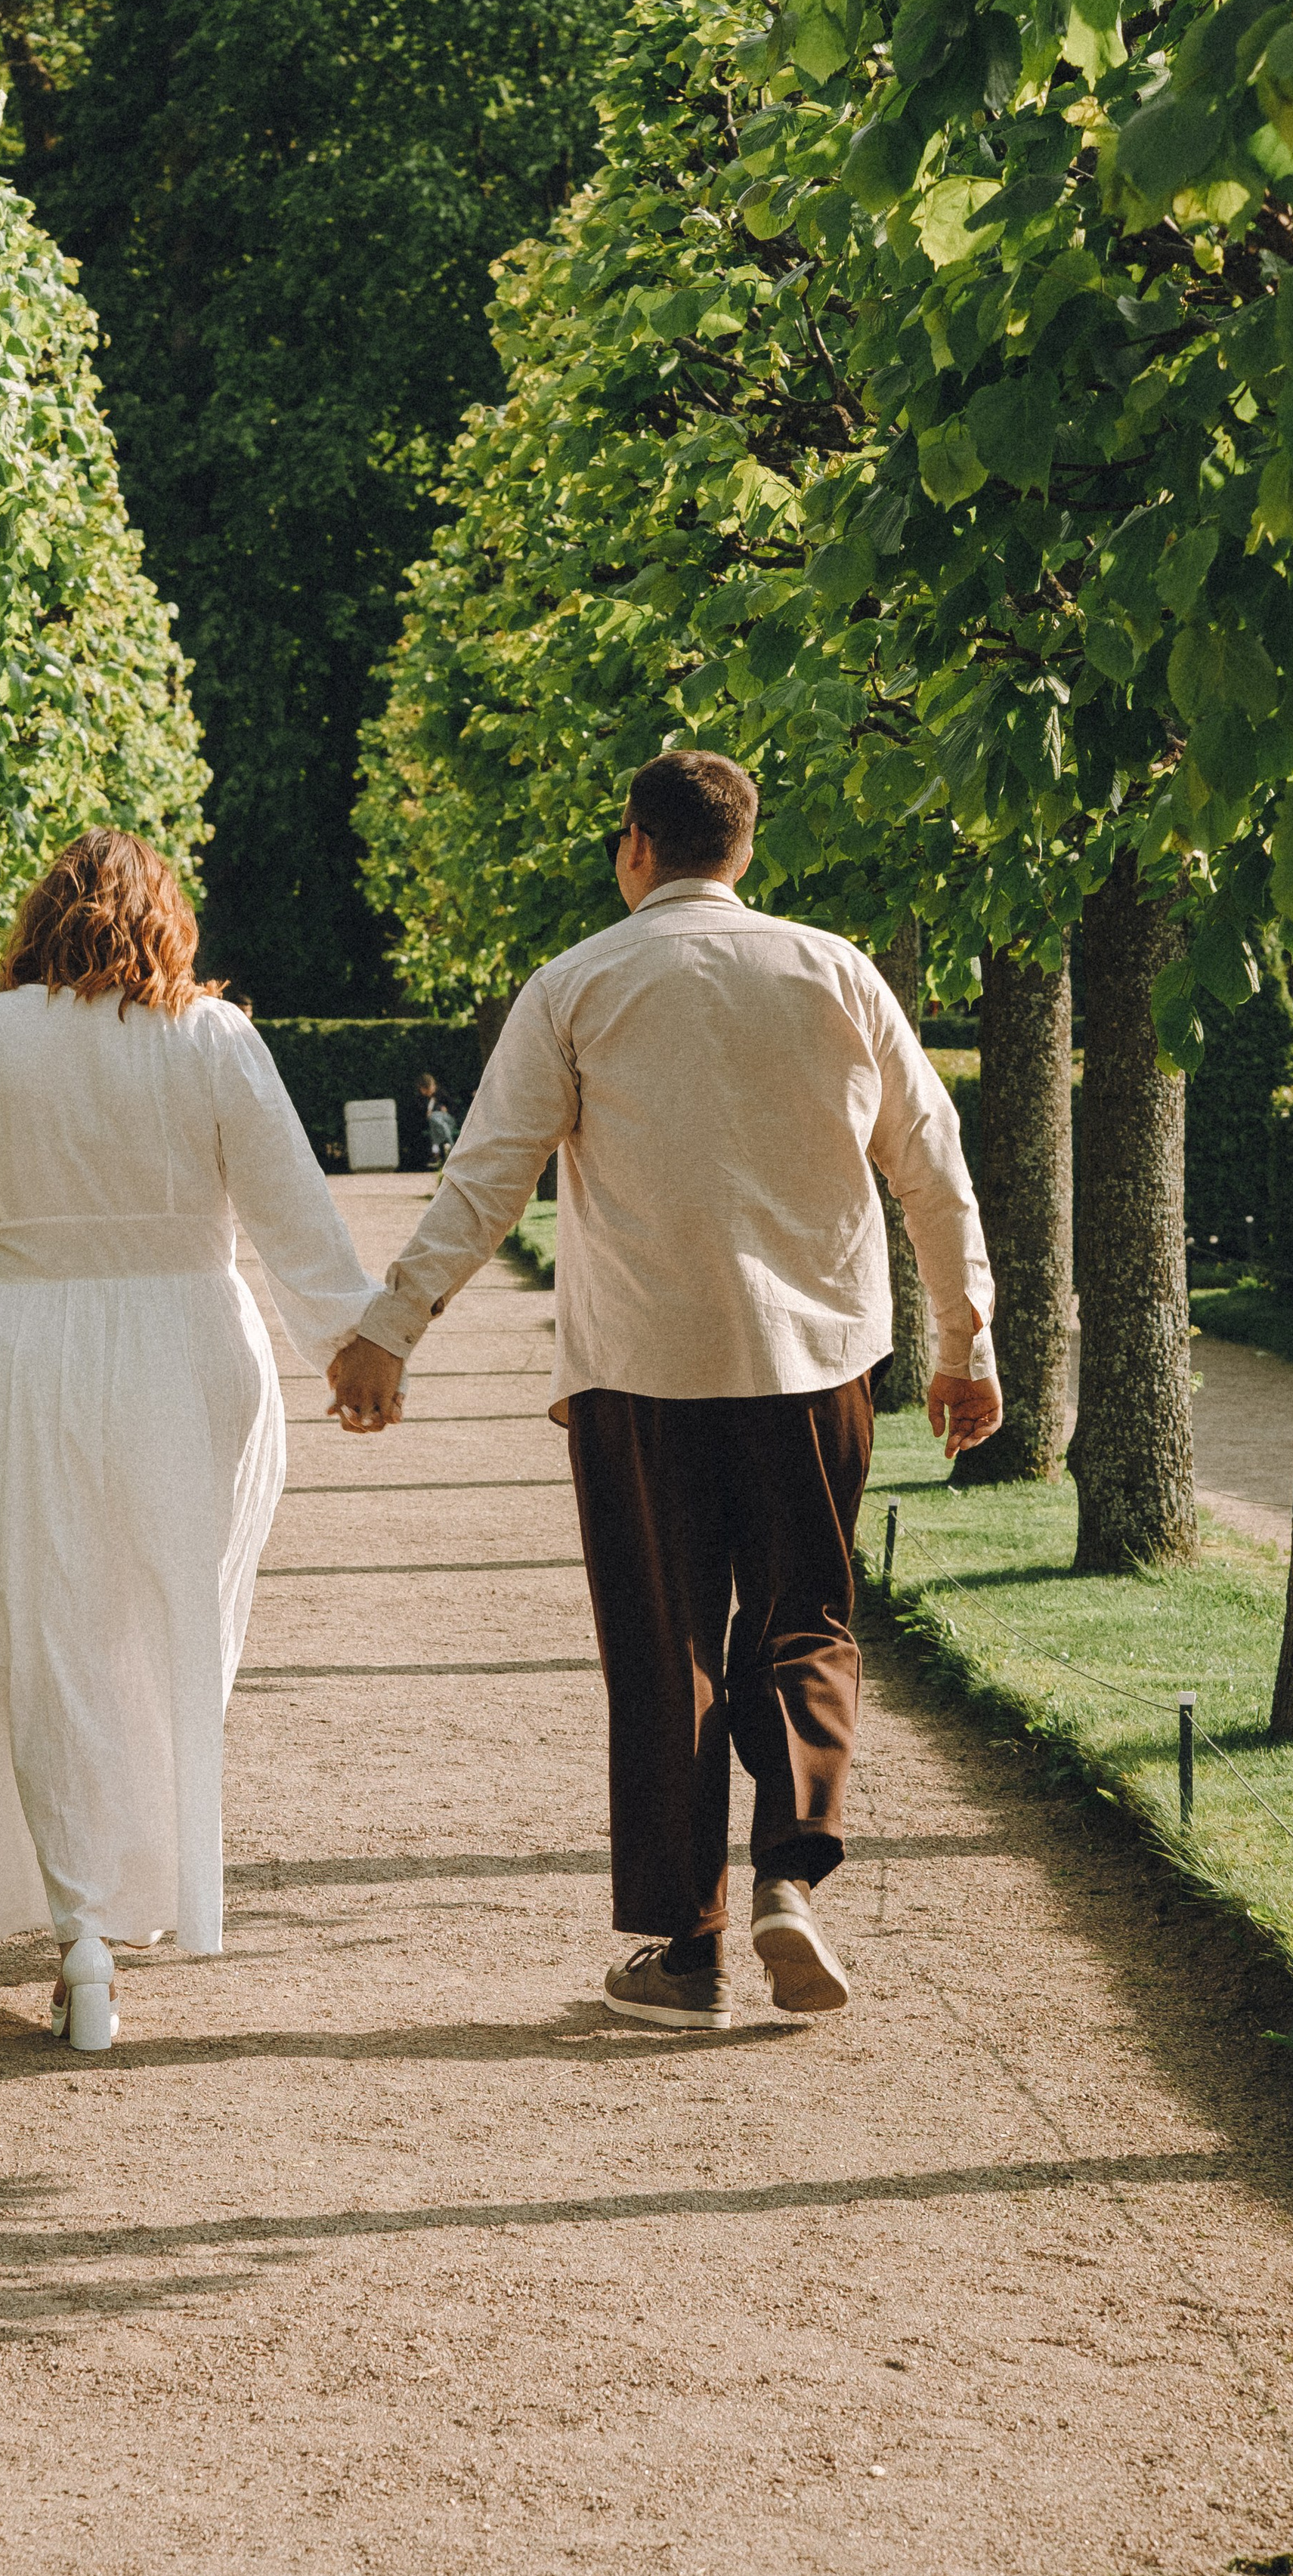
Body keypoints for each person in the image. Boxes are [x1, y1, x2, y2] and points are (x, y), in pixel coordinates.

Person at [327, 752, 998, 2028]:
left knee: (666, 1650)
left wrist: (390, 1325)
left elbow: (490, 1177)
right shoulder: (838, 973)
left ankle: (682, 1954)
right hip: (813, 1364)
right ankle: (792, 1876)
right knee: (807, 1619)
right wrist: (967, 1341)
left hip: (642, 1372)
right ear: (744, 851)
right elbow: (933, 1167)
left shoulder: (577, 983)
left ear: (635, 844)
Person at [0, 829, 380, 2050]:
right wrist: (350, 1348)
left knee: (41, 1635)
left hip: (17, 1352)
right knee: (169, 1623)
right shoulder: (213, 1039)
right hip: (190, 1346)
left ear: (35, 920)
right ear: (169, 923)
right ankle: (119, 1893)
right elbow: (296, 1216)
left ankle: (83, 1920)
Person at [413, 1071, 458, 1168]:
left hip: (448, 1121)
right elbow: (420, 1115)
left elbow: (453, 1107)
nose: (430, 1092)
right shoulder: (421, 1099)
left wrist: (443, 1109)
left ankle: (436, 1155)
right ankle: (451, 1147)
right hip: (437, 1127)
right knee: (433, 1121)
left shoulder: (441, 1093)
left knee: (434, 1117)